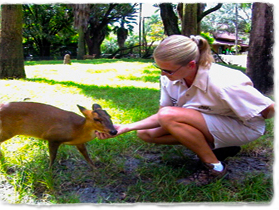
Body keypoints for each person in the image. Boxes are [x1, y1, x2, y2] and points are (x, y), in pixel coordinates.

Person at [97, 35, 277, 186]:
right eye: (158, 68)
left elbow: (269, 110)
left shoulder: (224, 82)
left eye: (167, 70)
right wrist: (126, 127)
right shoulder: (170, 78)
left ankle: (214, 167)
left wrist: (229, 116)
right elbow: (162, 115)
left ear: (191, 65)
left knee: (169, 116)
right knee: (146, 133)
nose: (162, 74)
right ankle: (217, 146)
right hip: (208, 121)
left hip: (244, 127)